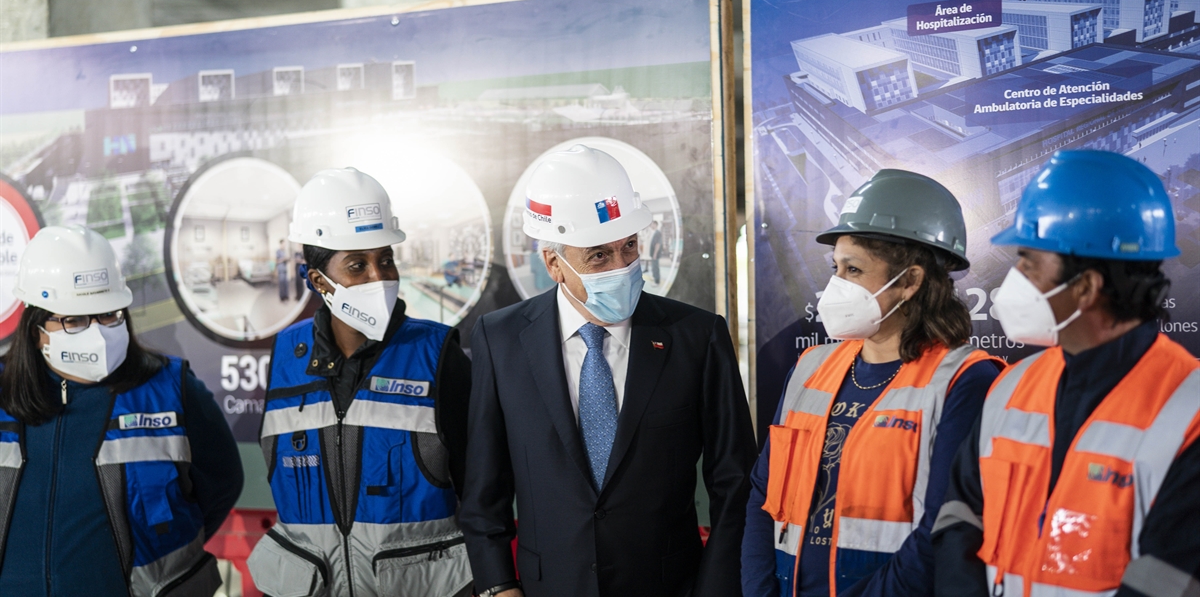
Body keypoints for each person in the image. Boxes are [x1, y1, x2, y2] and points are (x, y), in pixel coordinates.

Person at [460, 145, 755, 597]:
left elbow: (734, 484)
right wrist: (499, 587)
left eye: (629, 247)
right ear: (554, 263)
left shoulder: (696, 337)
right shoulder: (500, 341)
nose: (622, 267)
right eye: (598, 256)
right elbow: (484, 491)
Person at [933, 150, 1200, 597]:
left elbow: (1168, 582)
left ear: (1086, 287)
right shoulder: (1011, 387)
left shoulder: (1188, 412)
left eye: (1029, 263)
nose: (1012, 278)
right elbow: (958, 514)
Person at [742, 170, 1005, 597]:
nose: (836, 284)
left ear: (910, 282)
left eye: (854, 269)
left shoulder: (965, 380)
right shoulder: (810, 367)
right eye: (836, 268)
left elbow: (944, 532)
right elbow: (762, 496)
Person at [246, 168, 473, 596]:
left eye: (385, 260)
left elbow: (482, 489)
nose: (379, 277)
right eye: (358, 265)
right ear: (319, 282)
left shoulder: (436, 353)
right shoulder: (284, 358)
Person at [0, 225, 242, 596]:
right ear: (37, 328)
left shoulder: (169, 388)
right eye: (75, 320)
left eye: (108, 314)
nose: (98, 333)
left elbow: (222, 482)